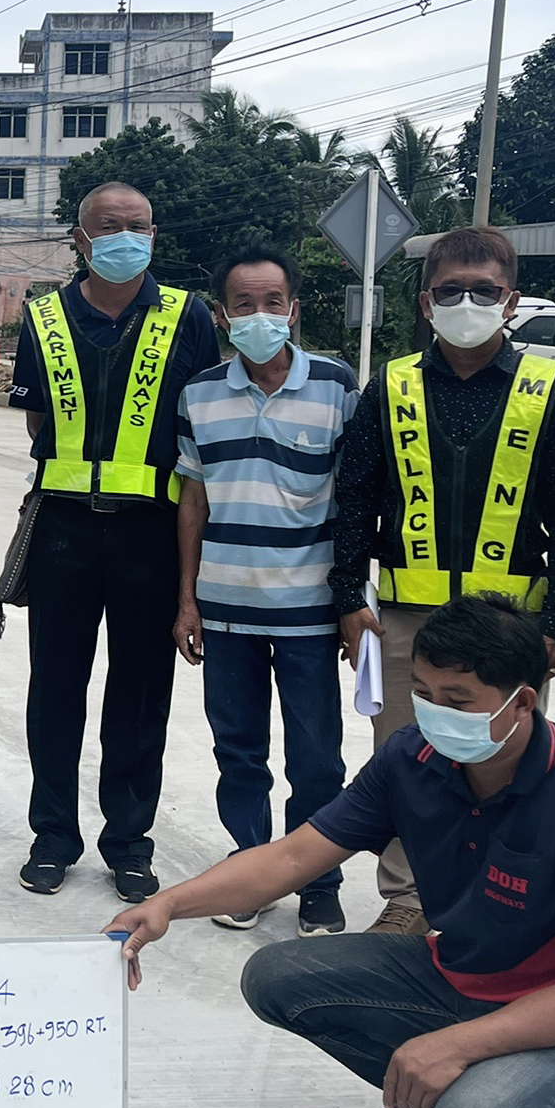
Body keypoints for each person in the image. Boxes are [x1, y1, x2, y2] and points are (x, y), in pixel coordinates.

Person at [110, 596, 555, 1108]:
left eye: (458, 700)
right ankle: (446, 1093)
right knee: (278, 977)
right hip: (468, 977)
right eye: (424, 693)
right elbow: (295, 856)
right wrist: (169, 905)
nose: (435, 713)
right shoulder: (412, 760)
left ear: (522, 702)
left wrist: (455, 1046)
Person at [329, 224, 555, 937]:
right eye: (451, 291)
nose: (467, 303)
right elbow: (356, 496)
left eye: (484, 290)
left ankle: (500, 901)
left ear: (511, 300)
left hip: (511, 628)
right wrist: (349, 597)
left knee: (510, 763)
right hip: (406, 621)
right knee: (407, 761)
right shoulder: (392, 385)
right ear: (426, 302)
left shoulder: (549, 390)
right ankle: (408, 898)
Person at [3, 181, 221, 901]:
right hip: (63, 529)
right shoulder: (43, 316)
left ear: (153, 235)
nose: (125, 237)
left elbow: (201, 425)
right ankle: (52, 836)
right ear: (81, 238)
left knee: (140, 693)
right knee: (54, 688)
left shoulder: (188, 316)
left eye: (138, 226)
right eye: (108, 225)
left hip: (151, 533)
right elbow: (37, 421)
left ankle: (129, 843)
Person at [173, 243, 354, 937]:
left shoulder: (336, 387)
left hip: (310, 611)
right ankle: (250, 873)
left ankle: (317, 882)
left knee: (317, 758)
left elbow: (356, 500)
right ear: (223, 316)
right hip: (225, 610)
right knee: (239, 752)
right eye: (243, 304)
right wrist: (187, 600)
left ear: (294, 310)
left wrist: (351, 602)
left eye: (272, 302)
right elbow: (193, 502)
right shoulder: (199, 394)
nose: (259, 315)